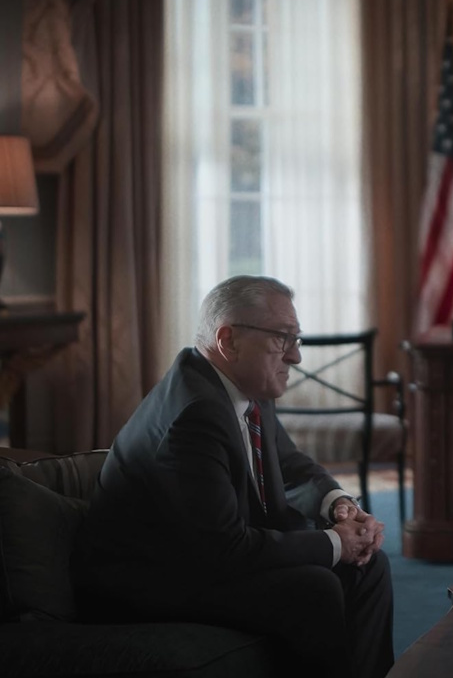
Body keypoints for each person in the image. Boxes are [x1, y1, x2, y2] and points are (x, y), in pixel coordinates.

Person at [82, 276, 394, 678]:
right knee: (314, 589)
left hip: (201, 560)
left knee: (369, 566)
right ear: (228, 340)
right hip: (148, 582)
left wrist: (339, 506)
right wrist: (335, 543)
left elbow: (291, 466)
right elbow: (223, 550)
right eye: (283, 339)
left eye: (296, 339)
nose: (296, 357)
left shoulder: (246, 389)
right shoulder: (194, 415)